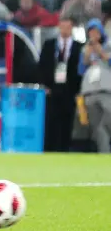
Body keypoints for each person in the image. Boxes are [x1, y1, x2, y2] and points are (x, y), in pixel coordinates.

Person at [38, 18, 83, 152]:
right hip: (52, 89)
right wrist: (44, 85)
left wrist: (78, 91)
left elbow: (80, 71)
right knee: (51, 120)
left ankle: (64, 149)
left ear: (71, 28)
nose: (65, 29)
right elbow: (41, 67)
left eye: (67, 27)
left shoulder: (78, 47)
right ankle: (49, 149)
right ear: (59, 27)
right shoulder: (49, 45)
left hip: (70, 91)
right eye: (62, 26)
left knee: (67, 122)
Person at [78, 19, 111, 153]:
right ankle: (105, 154)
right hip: (89, 91)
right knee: (97, 126)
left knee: (107, 121)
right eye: (91, 32)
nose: (93, 34)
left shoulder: (109, 45)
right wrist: (87, 54)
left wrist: (99, 50)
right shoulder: (85, 48)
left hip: (106, 90)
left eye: (96, 31)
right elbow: (80, 70)